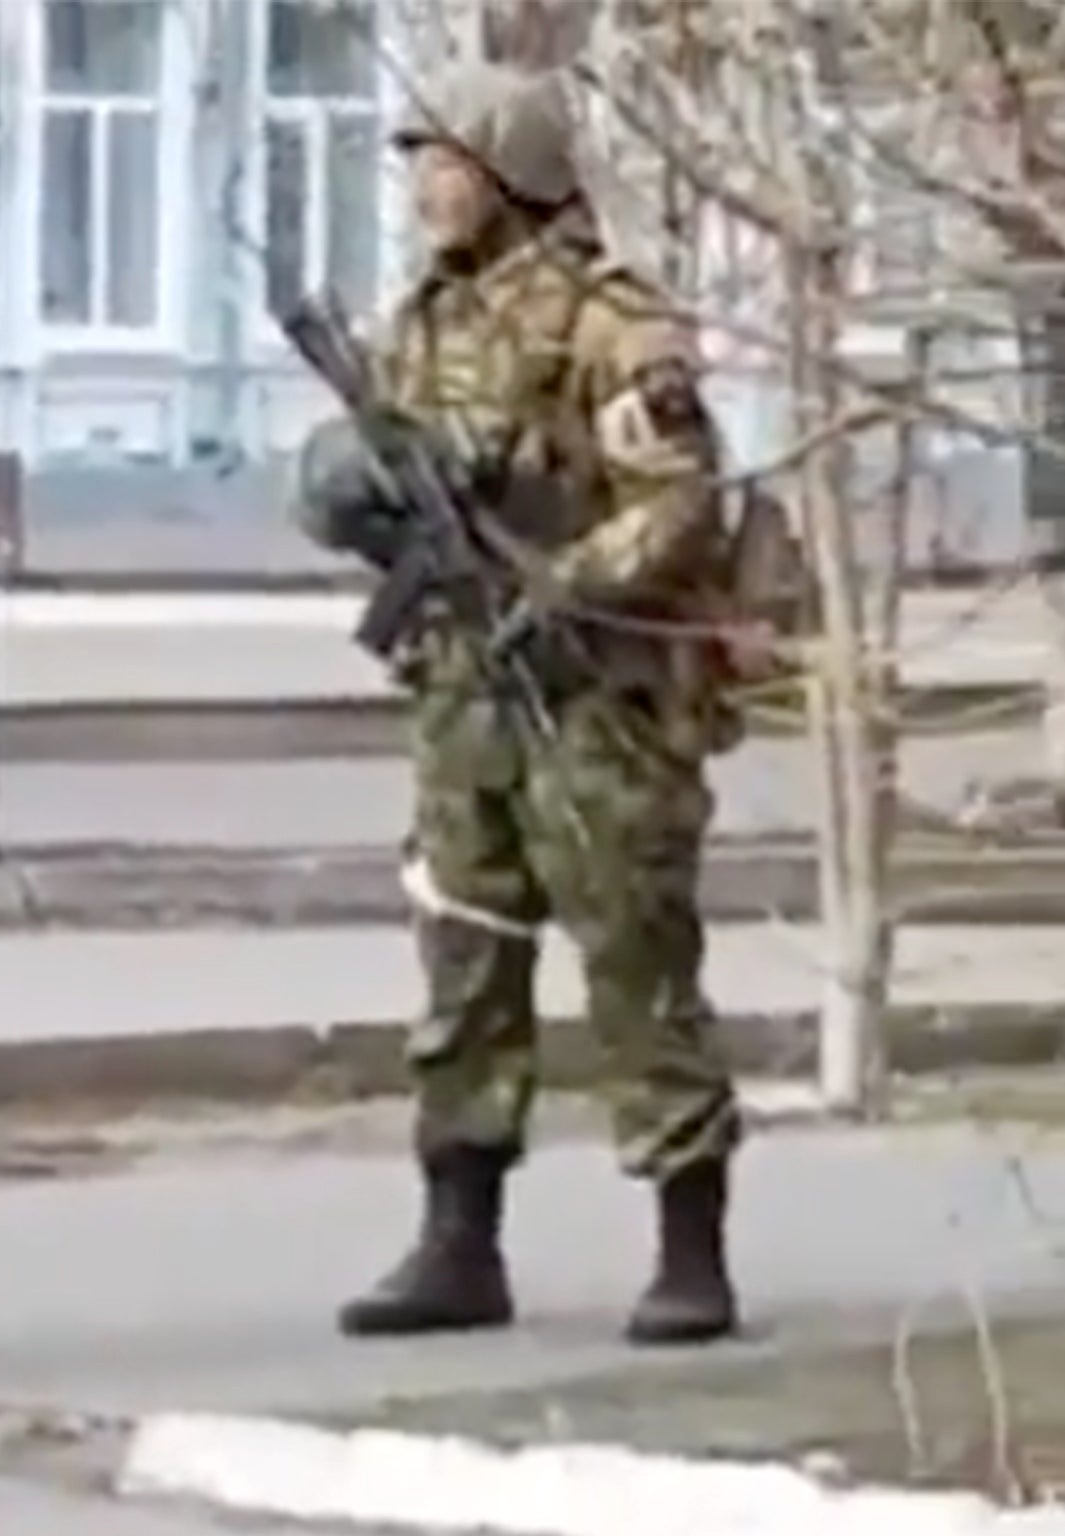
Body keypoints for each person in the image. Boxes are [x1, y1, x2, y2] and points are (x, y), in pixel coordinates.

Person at [309, 67, 744, 1348]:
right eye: (416, 164)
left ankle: (689, 1250)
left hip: (594, 699)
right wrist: (356, 500)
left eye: (445, 163)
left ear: (511, 173)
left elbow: (679, 500)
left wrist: (565, 585)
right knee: (462, 961)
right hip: (462, 694)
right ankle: (458, 1243)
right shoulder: (420, 322)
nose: (423, 188)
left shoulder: (612, 325)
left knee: (635, 965)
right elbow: (382, 480)